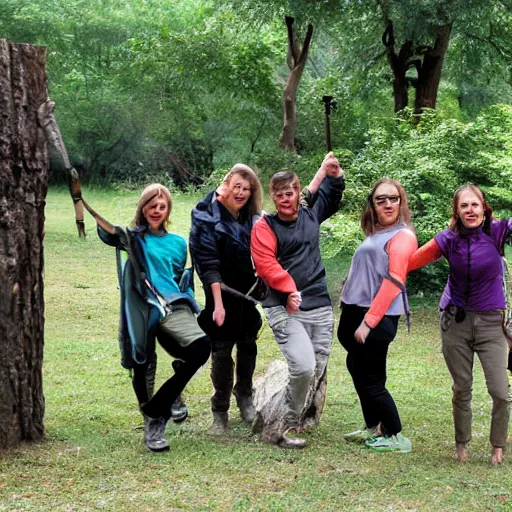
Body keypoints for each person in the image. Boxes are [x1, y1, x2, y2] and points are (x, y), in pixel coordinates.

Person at [76, 184, 211, 452]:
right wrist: (84, 204)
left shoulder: (177, 243)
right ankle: (153, 423)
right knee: (143, 362)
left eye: (162, 207)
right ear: (143, 208)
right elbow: (111, 231)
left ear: (168, 210)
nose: (157, 211)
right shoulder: (133, 238)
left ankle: (156, 408)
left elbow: (178, 277)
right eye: (152, 206)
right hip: (142, 306)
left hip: (172, 306)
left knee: (200, 347)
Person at [409, 184, 512, 465]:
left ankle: (498, 447)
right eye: (464, 206)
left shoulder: (497, 231)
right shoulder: (448, 238)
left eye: (474, 205)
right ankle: (461, 445)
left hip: (492, 323)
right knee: (462, 387)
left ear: (483, 207)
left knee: (500, 391)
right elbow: (411, 261)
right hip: (455, 321)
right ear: (456, 210)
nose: (470, 210)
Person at [250, 152, 344, 448]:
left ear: (296, 191)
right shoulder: (265, 226)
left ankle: (285, 419)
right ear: (273, 196)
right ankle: (280, 427)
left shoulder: (310, 213)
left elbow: (331, 192)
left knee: (314, 370)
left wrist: (335, 173)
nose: (284, 199)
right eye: (278, 195)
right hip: (283, 308)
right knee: (302, 367)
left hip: (320, 306)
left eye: (289, 192)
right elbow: (266, 265)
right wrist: (290, 290)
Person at [338, 178, 417, 453]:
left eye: (393, 198)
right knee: (357, 368)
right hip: (356, 311)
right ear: (372, 204)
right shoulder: (378, 233)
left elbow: (394, 280)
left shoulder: (402, 236)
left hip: (375, 318)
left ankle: (395, 435)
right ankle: (374, 425)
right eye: (380, 199)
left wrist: (368, 323)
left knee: (371, 380)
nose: (387, 204)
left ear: (401, 201)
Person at [190, 164, 264, 434]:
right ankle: (219, 411)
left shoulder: (252, 218)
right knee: (221, 352)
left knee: (248, 345)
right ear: (225, 187)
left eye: (247, 188)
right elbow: (209, 265)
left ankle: (244, 395)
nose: (242, 192)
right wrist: (218, 305)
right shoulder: (206, 217)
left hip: (248, 295)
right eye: (237, 187)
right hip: (220, 293)